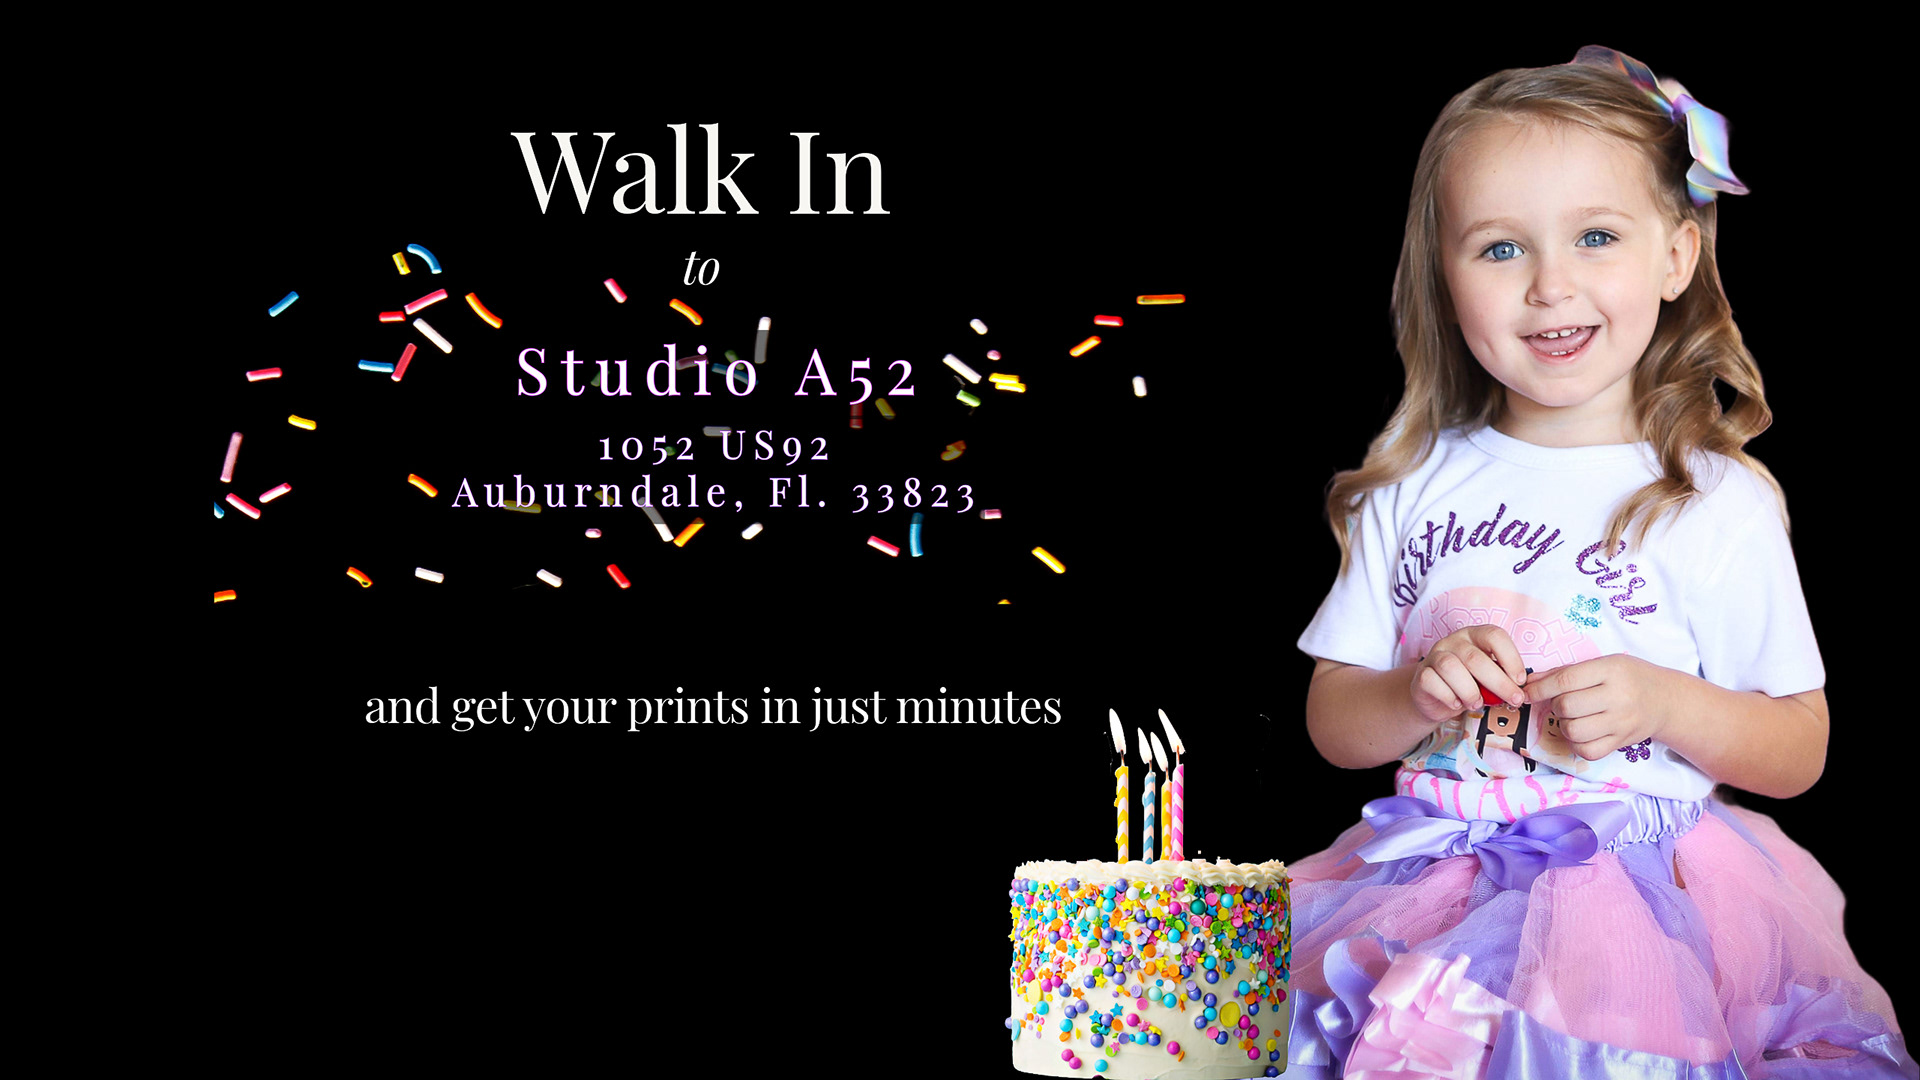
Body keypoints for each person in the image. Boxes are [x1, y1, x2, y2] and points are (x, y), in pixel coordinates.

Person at [1291, 46, 1912, 1077]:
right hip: (1422, 883)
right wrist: (1414, 689)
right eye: (1499, 250)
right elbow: (1333, 720)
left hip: (1639, 910)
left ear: (1675, 256)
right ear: (1443, 278)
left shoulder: (1713, 502)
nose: (1550, 286)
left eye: (1595, 236)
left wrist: (1667, 703)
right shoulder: (1410, 482)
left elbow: (1799, 749)